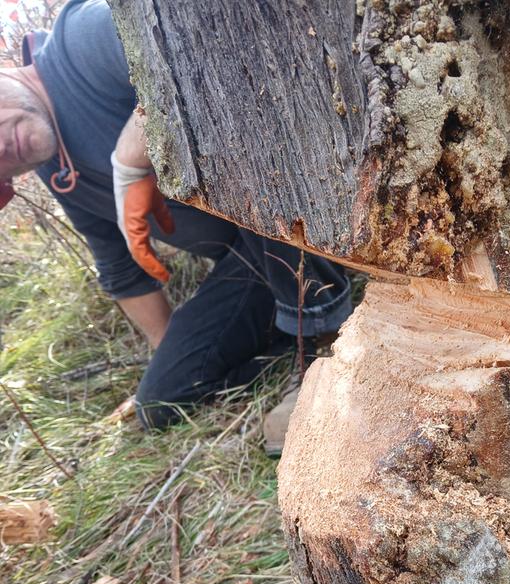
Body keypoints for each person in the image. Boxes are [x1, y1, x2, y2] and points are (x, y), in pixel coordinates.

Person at [0, 0, 352, 446]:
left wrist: (131, 157)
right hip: (251, 259)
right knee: (161, 403)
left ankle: (324, 343)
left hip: (301, 197)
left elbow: (213, 44)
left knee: (247, 156)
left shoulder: (79, 43)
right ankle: (300, 328)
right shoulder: (59, 172)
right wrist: (169, 350)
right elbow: (120, 270)